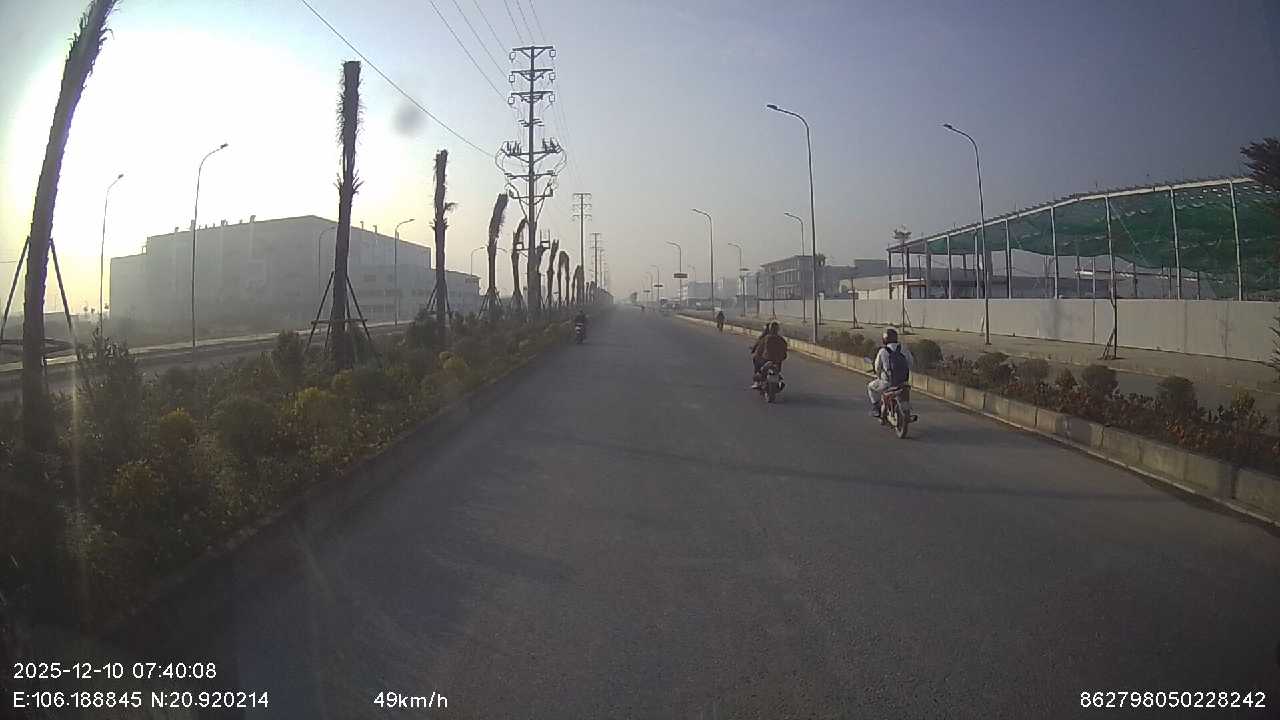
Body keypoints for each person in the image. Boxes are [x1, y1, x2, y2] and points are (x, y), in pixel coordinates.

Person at [868, 327, 913, 417]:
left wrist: (878, 375)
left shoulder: (882, 351)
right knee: (905, 396)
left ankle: (876, 408)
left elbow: (877, 367)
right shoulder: (904, 349)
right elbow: (911, 363)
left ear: (885, 339)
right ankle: (906, 413)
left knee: (871, 387)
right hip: (903, 382)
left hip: (887, 383)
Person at [750, 321, 788, 389]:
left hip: (766, 360)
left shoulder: (765, 338)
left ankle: (757, 382)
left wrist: (754, 351)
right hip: (777, 362)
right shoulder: (781, 339)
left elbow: (759, 348)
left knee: (756, 360)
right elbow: (785, 351)